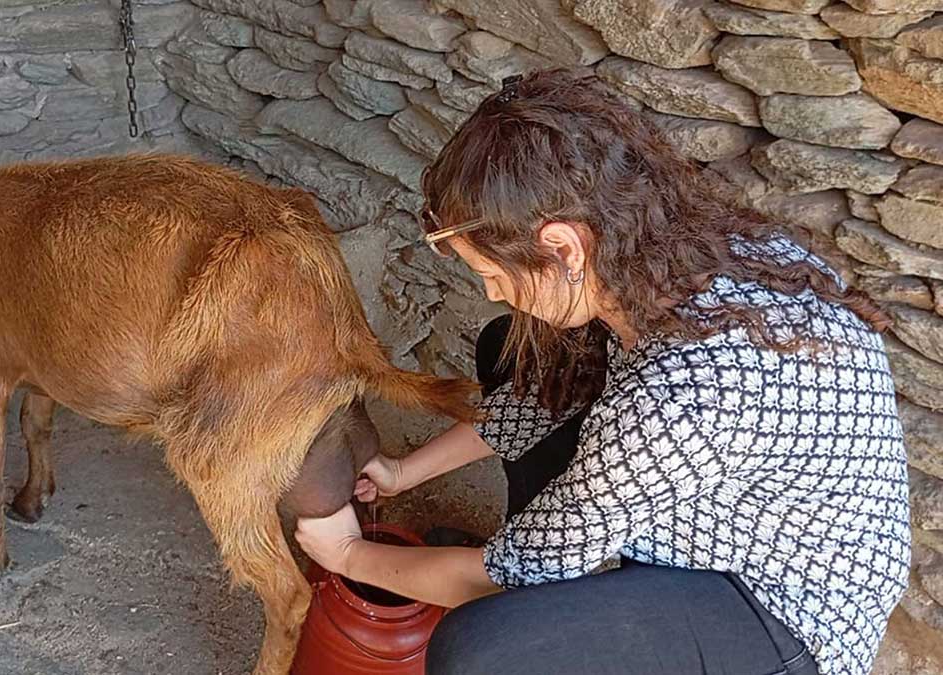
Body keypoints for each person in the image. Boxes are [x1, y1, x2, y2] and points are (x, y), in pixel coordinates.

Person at [293, 68, 911, 675]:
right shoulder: (666, 263)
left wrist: (349, 554)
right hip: (732, 510)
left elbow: (491, 574)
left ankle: (560, 575)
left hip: (782, 612)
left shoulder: (681, 399)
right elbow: (548, 397)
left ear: (563, 246)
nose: (491, 291)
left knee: (484, 649)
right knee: (514, 345)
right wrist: (403, 471)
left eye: (493, 273)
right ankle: (566, 557)